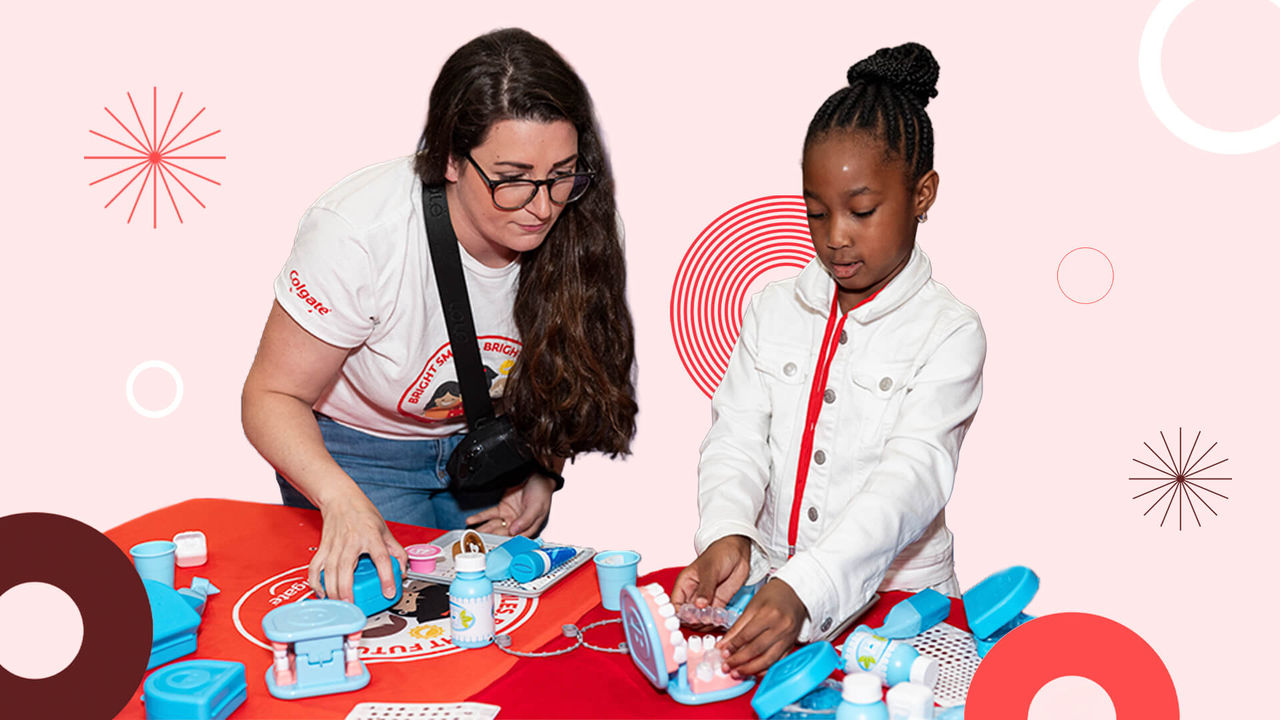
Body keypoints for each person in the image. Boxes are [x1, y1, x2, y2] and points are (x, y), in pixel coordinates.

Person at [241, 28, 637, 604]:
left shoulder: (581, 224)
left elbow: (565, 368)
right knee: (392, 619)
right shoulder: (359, 232)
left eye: (561, 175)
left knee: (496, 613)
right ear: (451, 159)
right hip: (356, 454)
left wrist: (541, 473)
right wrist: (342, 499)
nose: (543, 205)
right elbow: (270, 397)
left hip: (487, 447)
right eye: (512, 179)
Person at [671, 42, 985, 677]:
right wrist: (727, 530)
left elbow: (912, 478)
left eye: (862, 211)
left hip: (903, 610)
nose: (835, 236)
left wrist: (809, 588)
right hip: (768, 594)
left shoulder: (951, 332)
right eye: (817, 212)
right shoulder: (771, 308)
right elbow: (736, 436)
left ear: (922, 194)